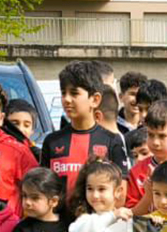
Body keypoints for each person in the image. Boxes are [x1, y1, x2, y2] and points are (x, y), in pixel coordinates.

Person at [39, 60, 128, 205]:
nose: (67, 99)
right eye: (63, 93)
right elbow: (43, 189)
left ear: (95, 99)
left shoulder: (112, 141)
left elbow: (121, 193)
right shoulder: (52, 141)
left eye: (74, 93)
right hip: (59, 226)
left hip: (97, 226)